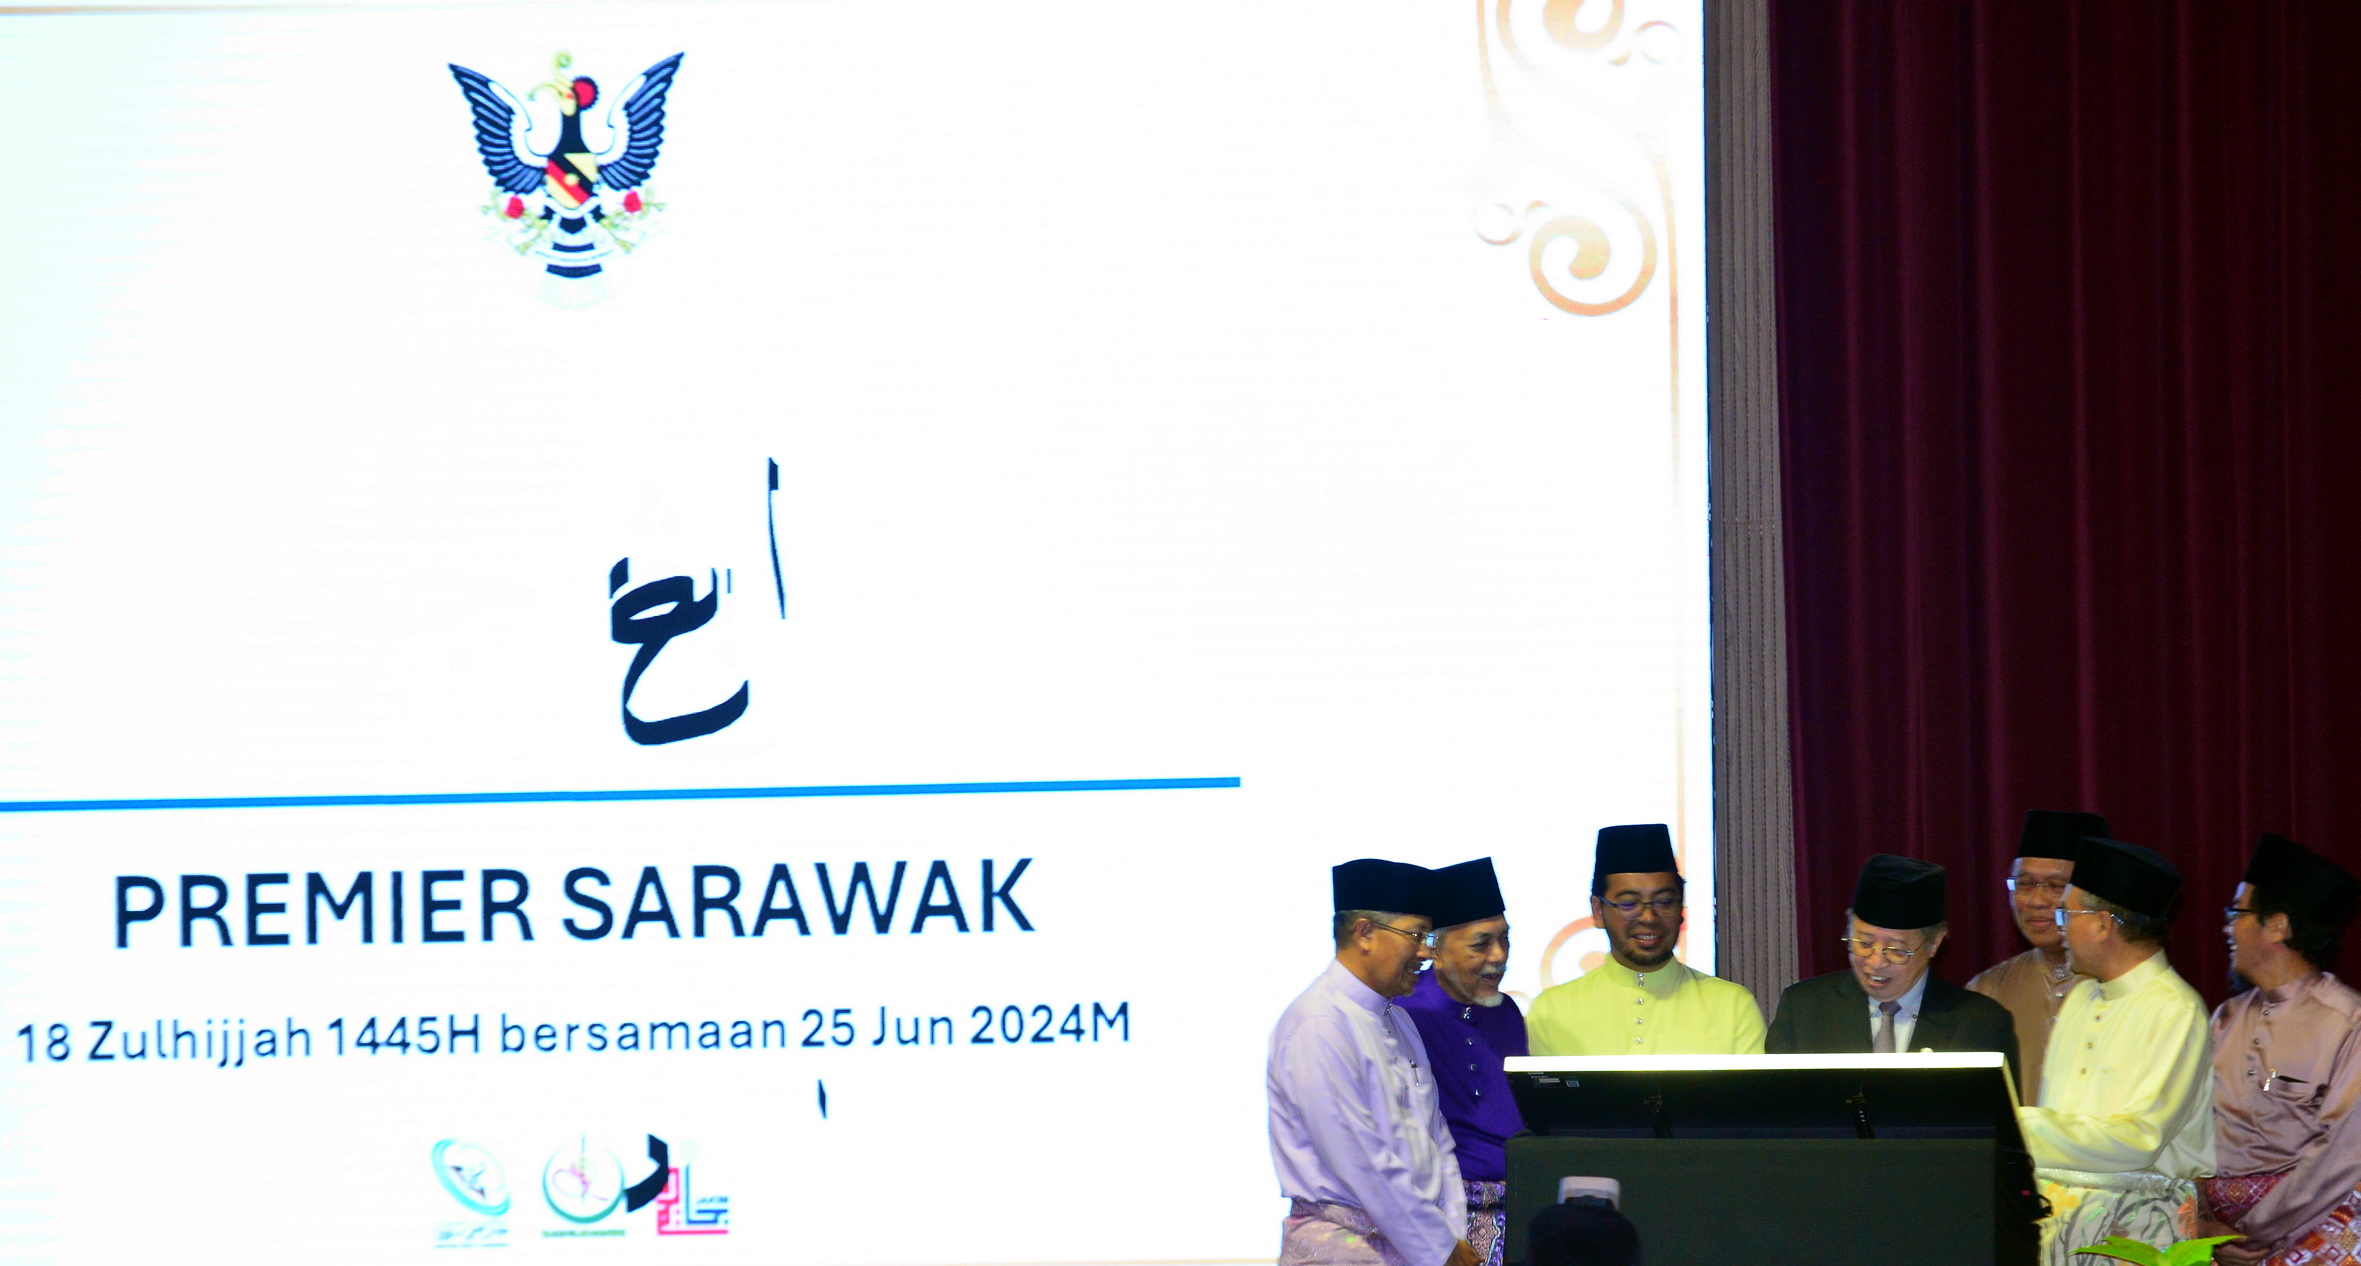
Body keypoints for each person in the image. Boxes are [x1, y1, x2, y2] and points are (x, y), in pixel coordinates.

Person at [1269, 858, 1480, 1266]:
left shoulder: (1399, 1020)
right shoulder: (1320, 1023)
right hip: (1341, 1248)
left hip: (1424, 1244)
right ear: (1364, 932)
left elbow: (1437, 1141)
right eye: (1416, 935)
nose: (1425, 951)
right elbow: (1362, 1161)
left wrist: (1453, 1234)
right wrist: (1440, 1249)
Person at [2017, 837, 2215, 1266]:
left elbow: (2139, 1140)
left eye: (2067, 914)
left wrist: (2017, 1124)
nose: (2059, 926)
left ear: (2104, 925)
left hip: (2137, 1230)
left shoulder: (2175, 1010)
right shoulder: (2082, 996)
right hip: (2057, 1228)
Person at [2194, 833, 2361, 1266]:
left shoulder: (2348, 1023)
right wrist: (2204, 1225)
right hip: (2218, 1235)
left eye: (2237, 913)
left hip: (2310, 1229)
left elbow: (2342, 1155)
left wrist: (2254, 1232)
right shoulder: (2225, 1018)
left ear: (2277, 925)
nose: (2227, 927)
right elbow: (2192, 1128)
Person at [1766, 854, 2019, 1077]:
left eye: (1897, 950)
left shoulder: (1980, 1024)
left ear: (1934, 944)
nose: (1876, 962)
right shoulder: (1803, 1011)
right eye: (1864, 943)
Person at [1525, 824, 1765, 1056]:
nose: (1649, 918)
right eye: (1629, 903)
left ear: (1681, 907)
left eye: (1665, 902)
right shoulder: (1551, 1012)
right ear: (1598, 910)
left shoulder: (1732, 1006)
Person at [1398, 858, 1525, 1266]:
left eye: (1505, 939)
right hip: (1444, 1217)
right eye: (1481, 944)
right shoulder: (1406, 1014)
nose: (1499, 956)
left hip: (1520, 1204)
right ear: (1435, 948)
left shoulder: (1507, 1012)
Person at [1969, 810, 2111, 1104]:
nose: (2036, 901)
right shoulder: (1987, 990)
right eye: (2024, 883)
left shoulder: (2123, 988)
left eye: (2056, 886)